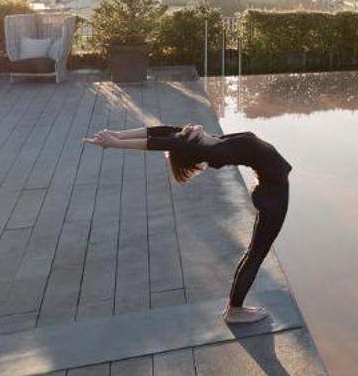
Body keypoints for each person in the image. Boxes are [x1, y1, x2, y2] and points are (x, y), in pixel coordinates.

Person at [85, 122, 292, 323]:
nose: (188, 128)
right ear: (192, 146)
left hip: (269, 190)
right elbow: (163, 144)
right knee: (255, 254)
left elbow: (162, 131)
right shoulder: (219, 152)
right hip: (274, 197)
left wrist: (118, 135)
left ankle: (234, 308)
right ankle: (235, 310)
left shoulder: (209, 142)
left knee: (253, 253)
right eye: (185, 135)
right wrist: (115, 144)